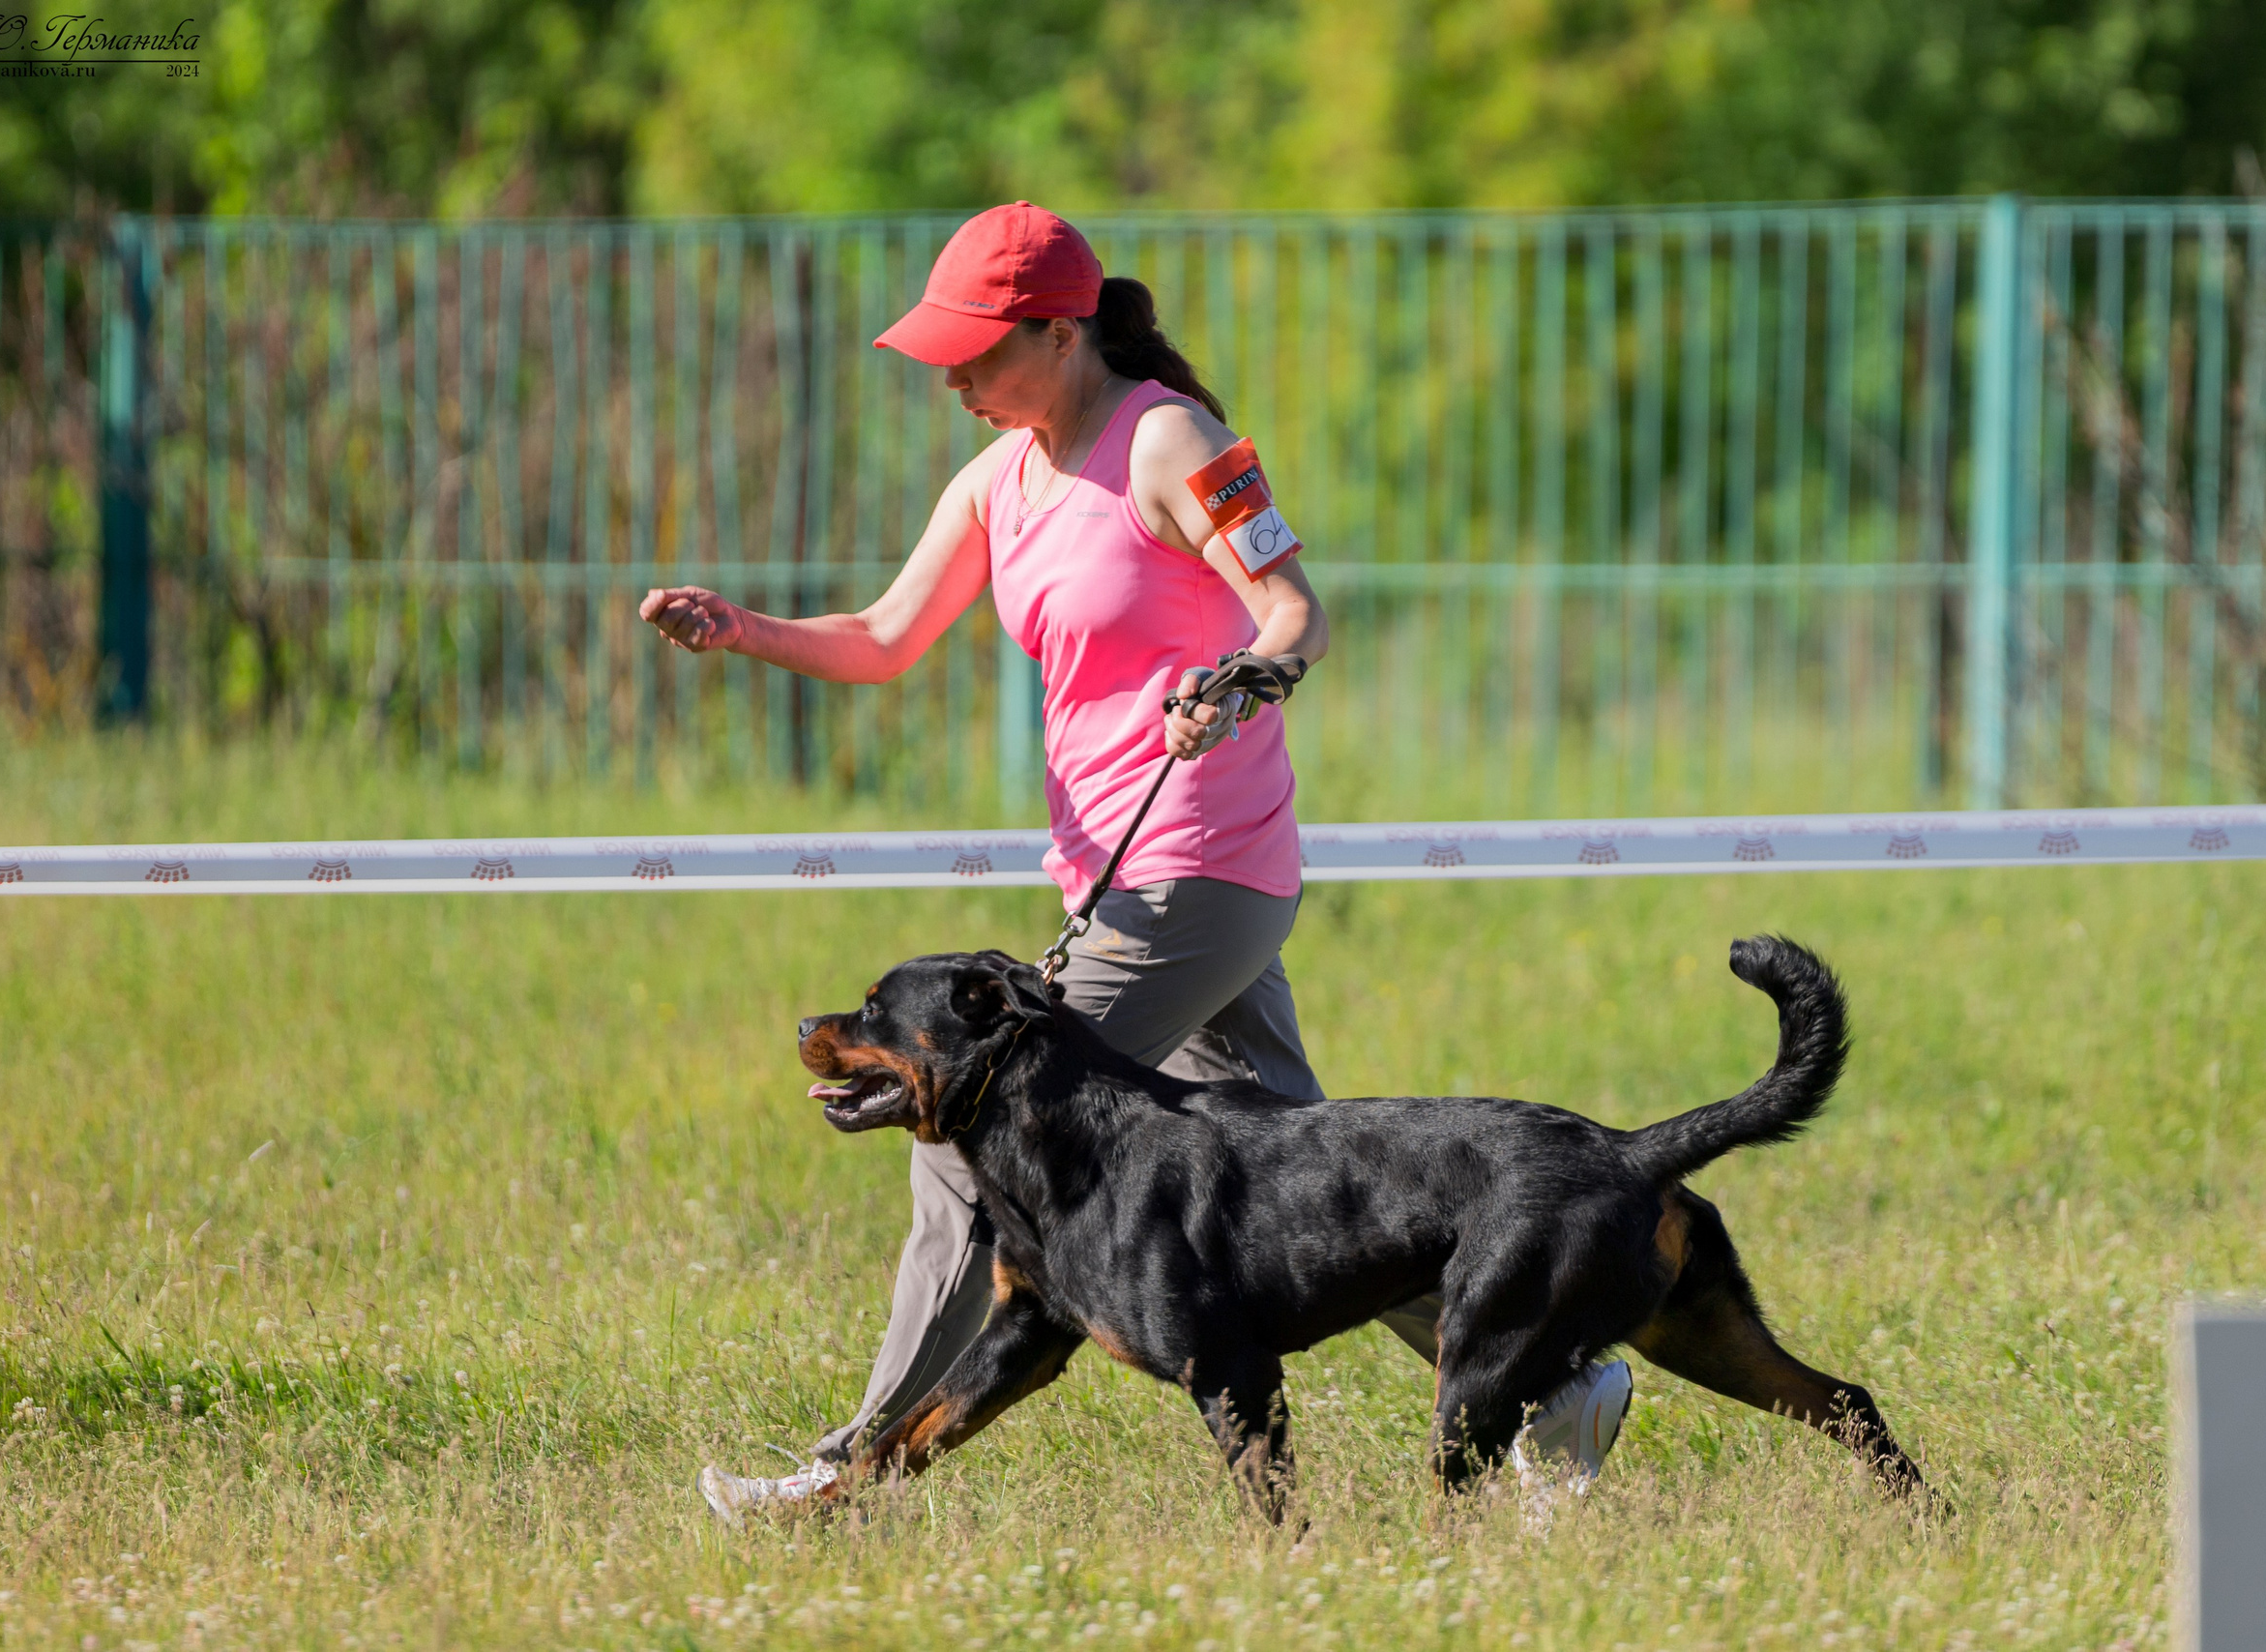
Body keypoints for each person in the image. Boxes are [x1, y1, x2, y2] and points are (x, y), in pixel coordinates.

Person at [637, 202, 1632, 1517]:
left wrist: (1240, 683)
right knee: (1299, 1169)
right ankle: (1561, 1387)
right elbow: (883, 635)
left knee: (966, 1128)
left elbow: (1295, 612)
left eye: (977, 356)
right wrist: (742, 628)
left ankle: (851, 1474)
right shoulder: (1002, 476)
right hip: (1107, 874)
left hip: (1197, 870)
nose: (953, 384)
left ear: (1059, 333)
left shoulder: (1170, 439)